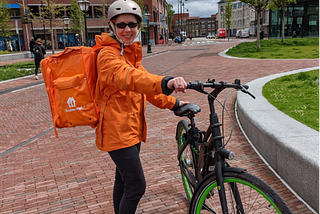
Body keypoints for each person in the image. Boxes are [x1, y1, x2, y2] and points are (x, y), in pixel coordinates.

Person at [94, 0, 188, 213]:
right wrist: (166, 82)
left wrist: (173, 102)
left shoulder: (128, 54)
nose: (127, 29)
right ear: (112, 26)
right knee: (136, 186)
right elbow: (129, 78)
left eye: (132, 24)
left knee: (124, 181)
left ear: (138, 27)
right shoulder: (107, 55)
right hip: (116, 132)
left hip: (131, 130)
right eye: (121, 25)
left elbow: (145, 87)